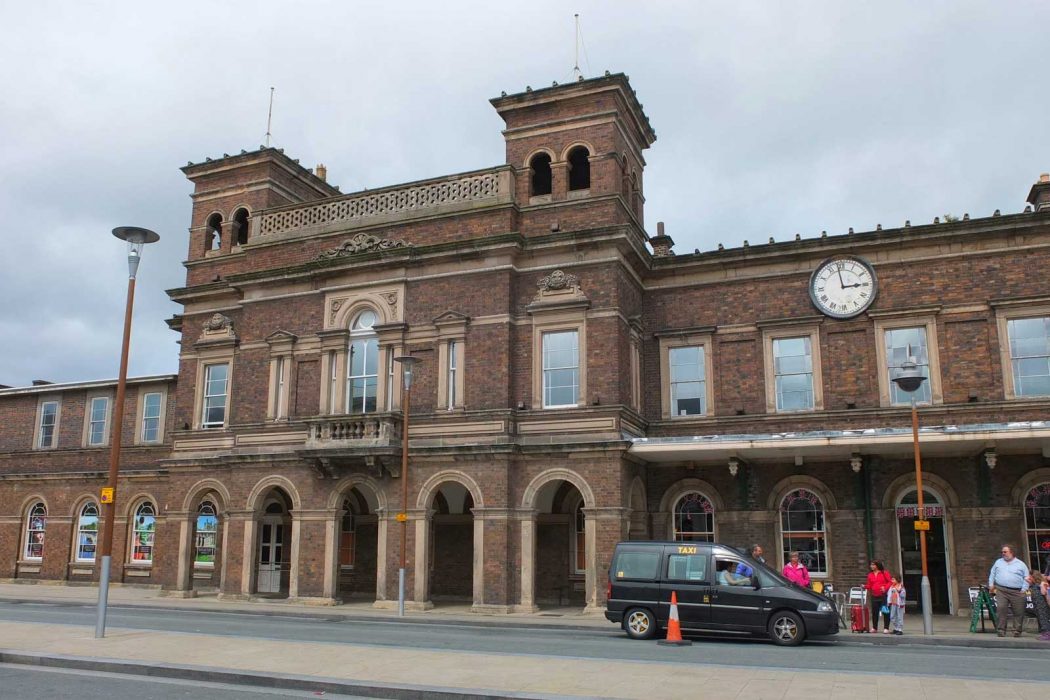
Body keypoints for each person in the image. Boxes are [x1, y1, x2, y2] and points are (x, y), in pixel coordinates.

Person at [988, 544, 1030, 637]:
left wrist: (1024, 589)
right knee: (1001, 609)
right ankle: (1001, 630)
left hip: (1017, 591)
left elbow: (1027, 578)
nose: (1003, 553)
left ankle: (1016, 630)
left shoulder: (1021, 564)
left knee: (1018, 612)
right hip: (1001, 590)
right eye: (1002, 552)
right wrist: (991, 585)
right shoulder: (998, 562)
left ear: (1012, 552)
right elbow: (992, 573)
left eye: (1005, 552)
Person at [864, 560, 892, 633]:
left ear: (877, 565)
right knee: (874, 612)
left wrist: (885, 588)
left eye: (873, 565)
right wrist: (864, 586)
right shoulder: (870, 575)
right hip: (874, 595)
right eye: (871, 565)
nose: (871, 566)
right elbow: (870, 585)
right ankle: (874, 628)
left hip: (883, 595)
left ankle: (886, 628)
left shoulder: (884, 573)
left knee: (885, 611)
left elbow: (890, 582)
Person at [1025, 571, 1050, 641]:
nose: (1028, 577)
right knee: (1040, 617)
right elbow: (1026, 579)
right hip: (1037, 604)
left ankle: (1047, 633)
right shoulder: (1033, 585)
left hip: (1042, 604)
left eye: (1030, 576)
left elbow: (1045, 593)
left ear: (1034, 577)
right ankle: (1044, 632)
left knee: (1043, 618)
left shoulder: (1041, 584)